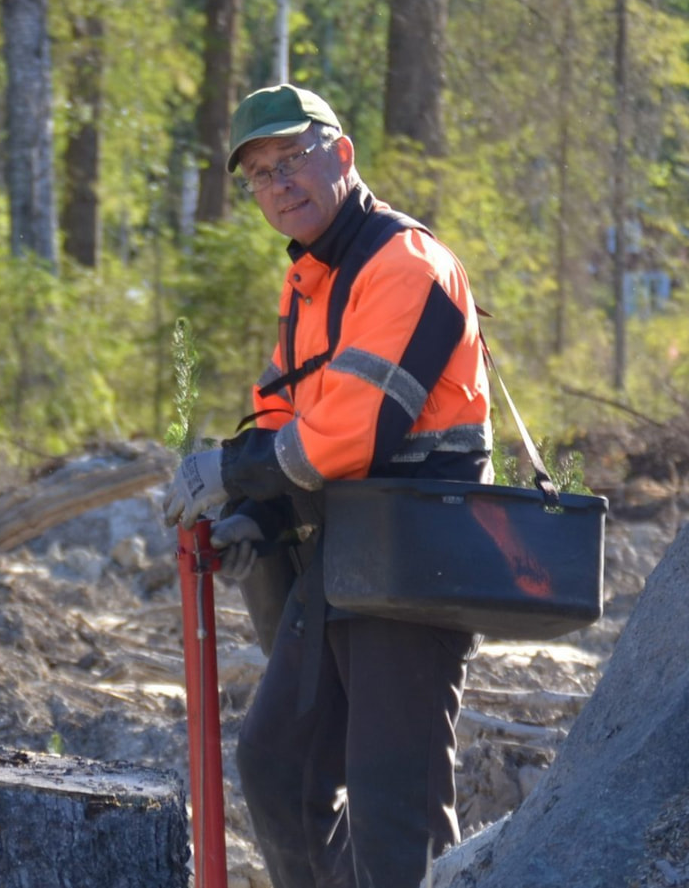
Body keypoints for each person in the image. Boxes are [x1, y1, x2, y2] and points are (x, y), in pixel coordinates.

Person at [161, 84, 492, 888]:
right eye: (260, 173)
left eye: (293, 159)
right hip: (344, 556)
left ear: (340, 155)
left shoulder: (407, 265)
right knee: (278, 765)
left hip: (417, 561)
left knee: (393, 804)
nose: (279, 184)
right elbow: (283, 411)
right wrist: (253, 516)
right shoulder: (309, 282)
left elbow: (355, 428)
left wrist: (227, 472)